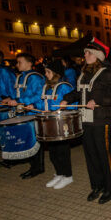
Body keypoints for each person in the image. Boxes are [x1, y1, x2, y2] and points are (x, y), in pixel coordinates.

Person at [62, 37, 111, 204]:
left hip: (101, 119)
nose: (85, 55)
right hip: (85, 119)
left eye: (88, 52)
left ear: (97, 55)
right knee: (89, 154)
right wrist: (66, 99)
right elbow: (78, 92)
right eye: (85, 52)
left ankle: (110, 188)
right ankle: (96, 186)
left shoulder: (107, 73)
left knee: (103, 154)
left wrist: (99, 101)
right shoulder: (83, 72)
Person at [34, 60, 76, 189]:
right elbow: (41, 103)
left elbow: (73, 105)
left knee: (62, 151)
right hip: (49, 124)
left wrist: (61, 108)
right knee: (52, 152)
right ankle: (59, 173)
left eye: (48, 72)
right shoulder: (47, 87)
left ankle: (68, 176)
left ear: (56, 73)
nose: (45, 74)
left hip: (61, 124)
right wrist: (34, 106)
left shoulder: (65, 87)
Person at [8, 53, 46, 179]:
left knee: (34, 141)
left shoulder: (35, 78)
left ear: (29, 63)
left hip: (33, 113)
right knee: (28, 140)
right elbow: (17, 94)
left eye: (20, 62)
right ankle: (33, 166)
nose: (17, 64)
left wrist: (23, 101)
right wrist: (12, 99)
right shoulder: (19, 77)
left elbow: (39, 94)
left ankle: (38, 167)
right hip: (23, 113)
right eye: (17, 62)